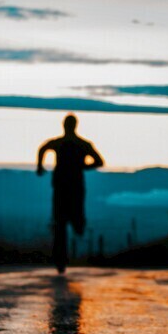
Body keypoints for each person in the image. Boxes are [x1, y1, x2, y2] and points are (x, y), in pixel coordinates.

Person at [36, 114, 104, 273]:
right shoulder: (82, 144)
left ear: (65, 126)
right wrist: (82, 166)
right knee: (61, 223)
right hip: (70, 187)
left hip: (65, 187)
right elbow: (98, 161)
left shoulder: (65, 143)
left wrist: (40, 166)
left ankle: (62, 255)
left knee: (64, 222)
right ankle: (60, 260)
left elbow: (43, 148)